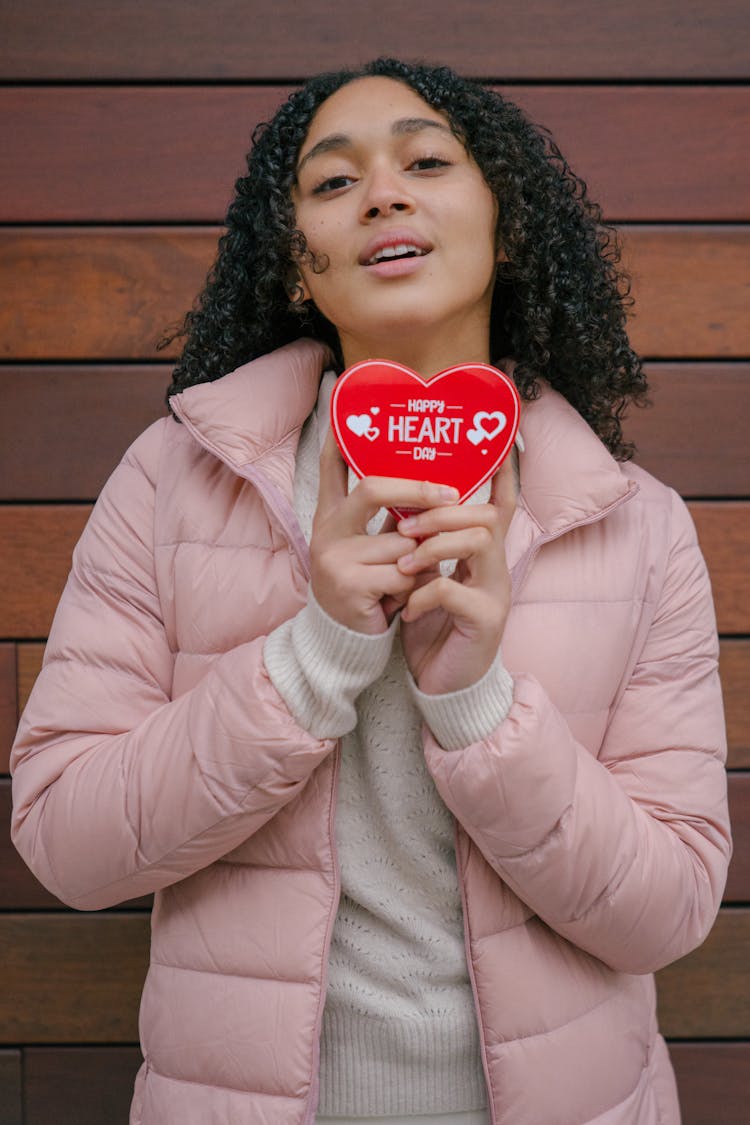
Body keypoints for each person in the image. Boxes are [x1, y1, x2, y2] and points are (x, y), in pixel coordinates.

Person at [10, 57, 731, 1125]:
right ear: (298, 265)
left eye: (428, 161)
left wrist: (477, 707)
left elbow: (668, 912)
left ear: (510, 228)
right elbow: (66, 840)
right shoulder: (171, 481)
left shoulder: (636, 524)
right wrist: (313, 658)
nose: (384, 191)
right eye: (333, 181)